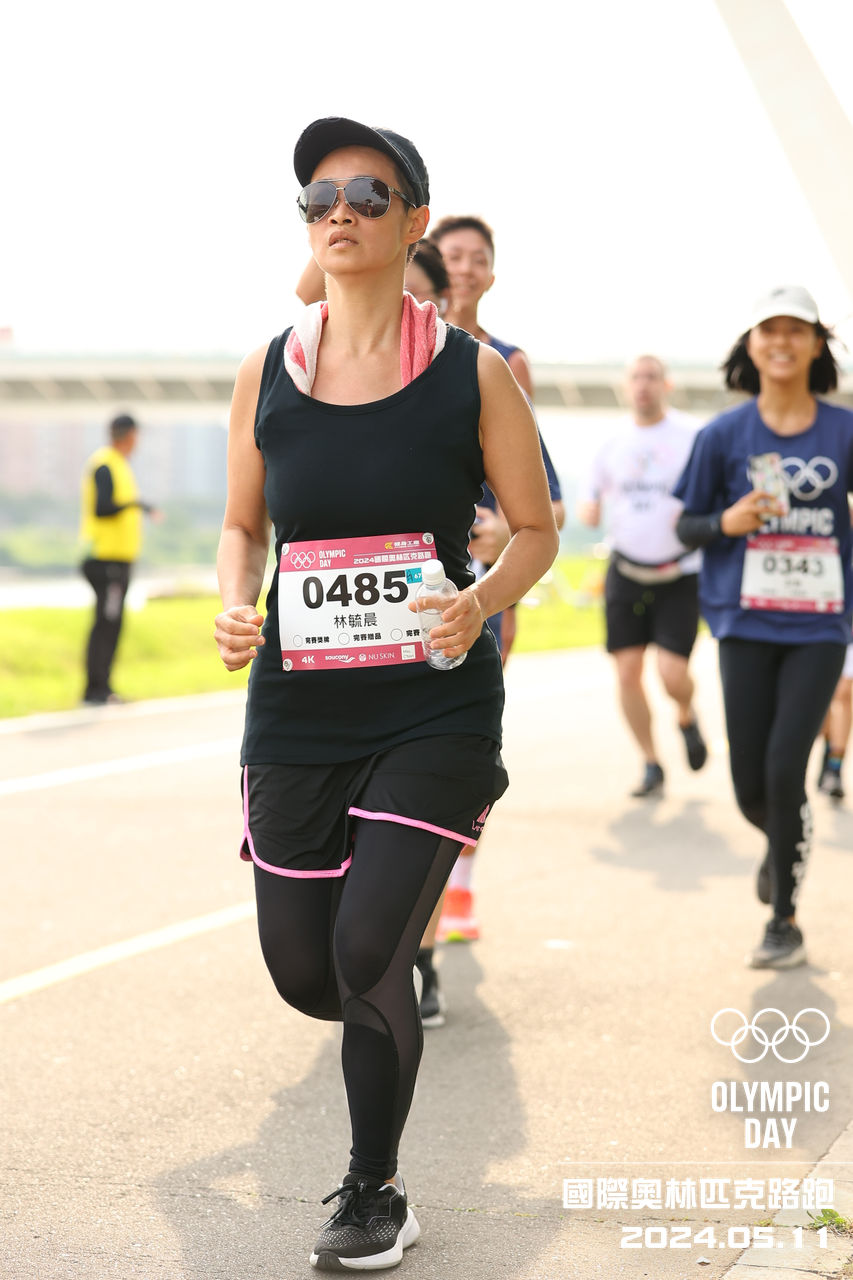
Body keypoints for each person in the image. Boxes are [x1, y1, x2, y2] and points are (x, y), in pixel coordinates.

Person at [214, 116, 558, 1271]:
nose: (340, 212)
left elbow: (535, 528)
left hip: (431, 703)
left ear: (413, 219)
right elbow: (242, 523)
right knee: (305, 970)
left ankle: (375, 1188)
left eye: (367, 193)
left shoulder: (473, 373)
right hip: (299, 707)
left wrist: (479, 600)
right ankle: (384, 1011)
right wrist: (234, 601)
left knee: (368, 951)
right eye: (318, 198)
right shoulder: (266, 368)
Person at [673, 285, 853, 969]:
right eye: (768, 330)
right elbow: (685, 526)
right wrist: (726, 521)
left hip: (818, 628)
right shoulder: (721, 436)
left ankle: (784, 921)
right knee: (751, 784)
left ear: (816, 344)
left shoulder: (843, 431)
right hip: (744, 623)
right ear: (750, 345)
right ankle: (782, 841)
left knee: (785, 768)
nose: (781, 341)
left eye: (796, 329)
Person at [428, 214, 565, 949]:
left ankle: (457, 889)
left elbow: (542, 498)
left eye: (479, 258)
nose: (466, 268)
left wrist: (504, 532)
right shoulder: (381, 349)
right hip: (399, 584)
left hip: (481, 587)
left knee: (463, 738)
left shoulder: (503, 361)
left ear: (492, 273)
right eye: (452, 255)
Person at [577, 356, 708, 797]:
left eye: (652, 377)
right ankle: (651, 762)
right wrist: (589, 510)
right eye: (636, 377)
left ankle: (686, 714)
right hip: (626, 569)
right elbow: (589, 497)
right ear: (625, 386)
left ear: (667, 385)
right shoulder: (610, 442)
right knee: (628, 673)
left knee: (672, 674)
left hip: (679, 571)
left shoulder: (693, 435)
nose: (644, 385)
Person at [79, 412, 160, 705]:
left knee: (111, 623)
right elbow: (103, 508)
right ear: (129, 435)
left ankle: (102, 688)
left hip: (117, 561)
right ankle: (96, 690)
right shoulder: (105, 464)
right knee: (106, 623)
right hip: (107, 561)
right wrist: (136, 505)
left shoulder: (118, 465)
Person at [816, 638, 853, 799]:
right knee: (826, 692)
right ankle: (828, 751)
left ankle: (834, 768)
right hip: (823, 631)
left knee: (843, 693)